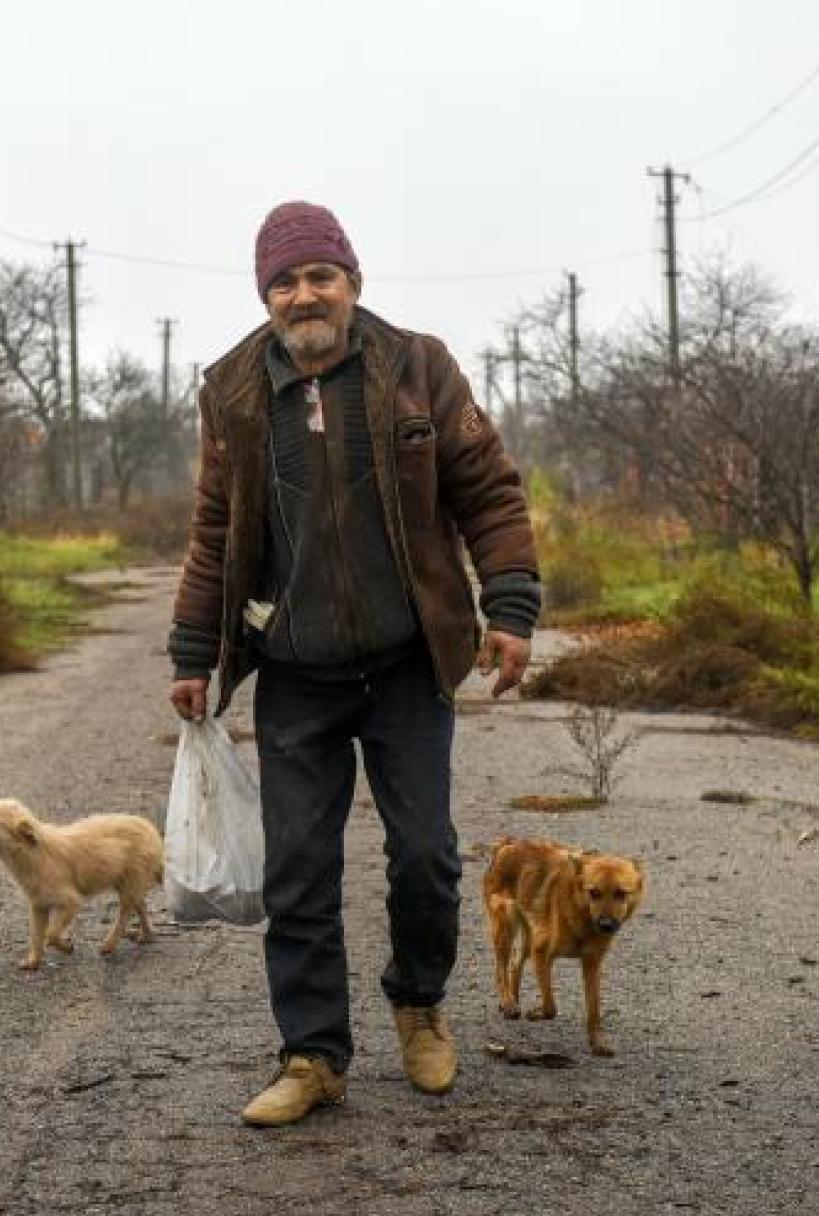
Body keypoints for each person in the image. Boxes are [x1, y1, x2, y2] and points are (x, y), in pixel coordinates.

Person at [166, 200, 541, 1127]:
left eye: (318, 277)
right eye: (284, 283)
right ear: (266, 297)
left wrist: (512, 605)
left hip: (408, 665)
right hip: (296, 671)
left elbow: (487, 488)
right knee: (299, 868)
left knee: (425, 858)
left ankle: (418, 1006)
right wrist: (190, 650)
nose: (304, 296)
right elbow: (214, 531)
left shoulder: (419, 366)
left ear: (353, 282)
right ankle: (313, 1056)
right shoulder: (233, 392)